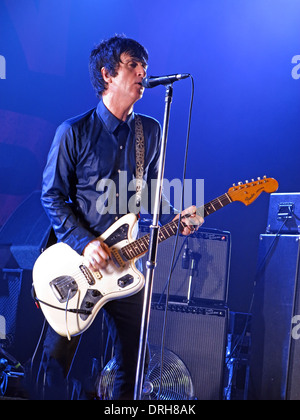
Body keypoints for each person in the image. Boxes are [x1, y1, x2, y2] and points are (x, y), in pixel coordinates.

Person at [38, 34, 203, 400]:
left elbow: (151, 197)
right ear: (108, 74)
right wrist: (86, 243)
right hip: (75, 263)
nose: (143, 72)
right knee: (55, 362)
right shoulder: (73, 132)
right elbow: (51, 196)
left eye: (144, 66)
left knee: (134, 361)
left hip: (126, 263)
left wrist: (181, 216)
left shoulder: (151, 132)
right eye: (133, 65)